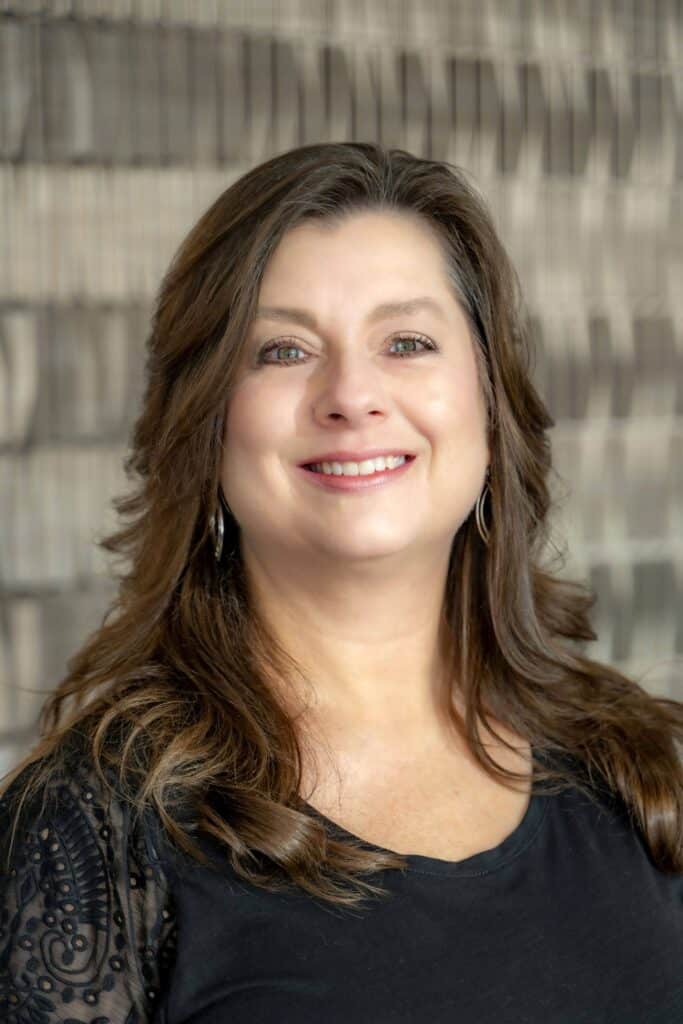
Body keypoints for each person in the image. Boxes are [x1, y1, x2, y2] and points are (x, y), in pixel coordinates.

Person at [1, 141, 681, 1024]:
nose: (351, 395)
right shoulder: (91, 827)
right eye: (283, 351)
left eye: (406, 342)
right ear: (205, 424)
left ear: (488, 405)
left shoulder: (635, 768)